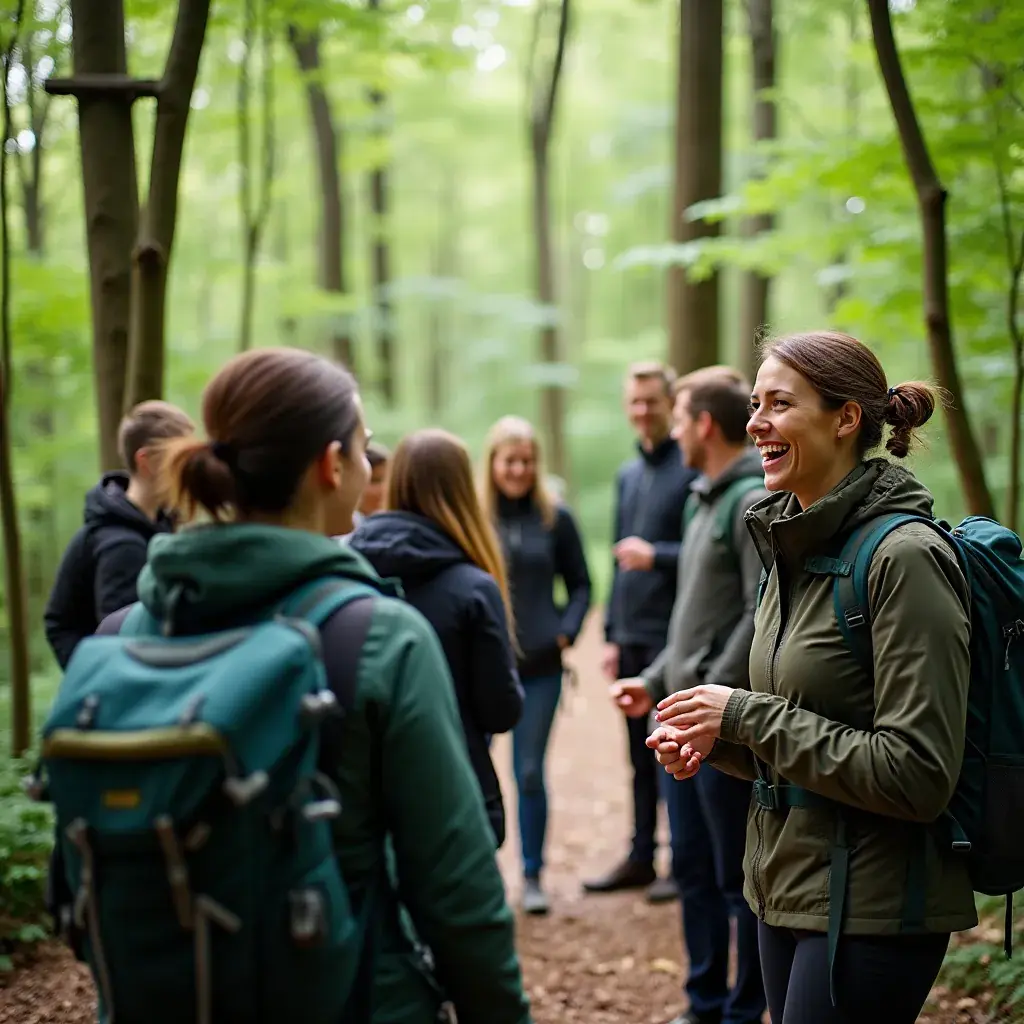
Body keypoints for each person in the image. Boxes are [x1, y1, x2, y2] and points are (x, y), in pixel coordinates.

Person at [102, 349, 532, 1024]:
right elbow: (457, 893)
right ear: (333, 466)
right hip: (350, 994)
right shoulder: (381, 637)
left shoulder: (118, 638)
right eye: (363, 452)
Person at [649, 331, 977, 1024]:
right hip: (785, 884)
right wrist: (720, 741)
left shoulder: (905, 560)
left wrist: (742, 717)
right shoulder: (790, 546)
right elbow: (801, 725)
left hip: (876, 905)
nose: (755, 423)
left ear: (845, 419)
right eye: (753, 404)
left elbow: (918, 772)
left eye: (779, 404)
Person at [613, 367, 767, 1024]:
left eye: (678, 418)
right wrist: (652, 681)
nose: (672, 431)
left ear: (704, 424)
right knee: (695, 873)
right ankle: (704, 1002)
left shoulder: (749, 501)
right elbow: (693, 618)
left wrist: (712, 693)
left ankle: (743, 1010)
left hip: (723, 727)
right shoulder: (702, 498)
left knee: (739, 882)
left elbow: (760, 612)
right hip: (680, 718)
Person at [350, 428, 524, 847]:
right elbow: (500, 711)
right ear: (463, 488)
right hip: (454, 790)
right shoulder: (472, 587)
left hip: (361, 791)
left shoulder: (345, 569)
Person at [584, 361, 697, 904]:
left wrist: (657, 556)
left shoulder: (690, 468)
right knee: (636, 752)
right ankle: (639, 855)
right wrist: (609, 632)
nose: (642, 411)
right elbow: (615, 556)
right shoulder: (629, 475)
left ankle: (682, 860)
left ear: (671, 404)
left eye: (651, 401)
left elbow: (702, 559)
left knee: (673, 746)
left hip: (671, 635)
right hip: (630, 634)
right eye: (634, 401)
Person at [481, 415, 592, 915]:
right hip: (480, 666)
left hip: (541, 667)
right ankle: (479, 872)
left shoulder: (556, 518)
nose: (519, 469)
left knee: (528, 772)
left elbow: (583, 584)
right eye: (510, 460)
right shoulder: (474, 517)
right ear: (492, 464)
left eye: (527, 460)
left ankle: (531, 876)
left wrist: (564, 631)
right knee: (472, 769)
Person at [43, 400, 195, 668]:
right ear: (146, 461)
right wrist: (93, 678)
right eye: (179, 460)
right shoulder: (122, 546)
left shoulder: (158, 524)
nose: (189, 470)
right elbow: (126, 639)